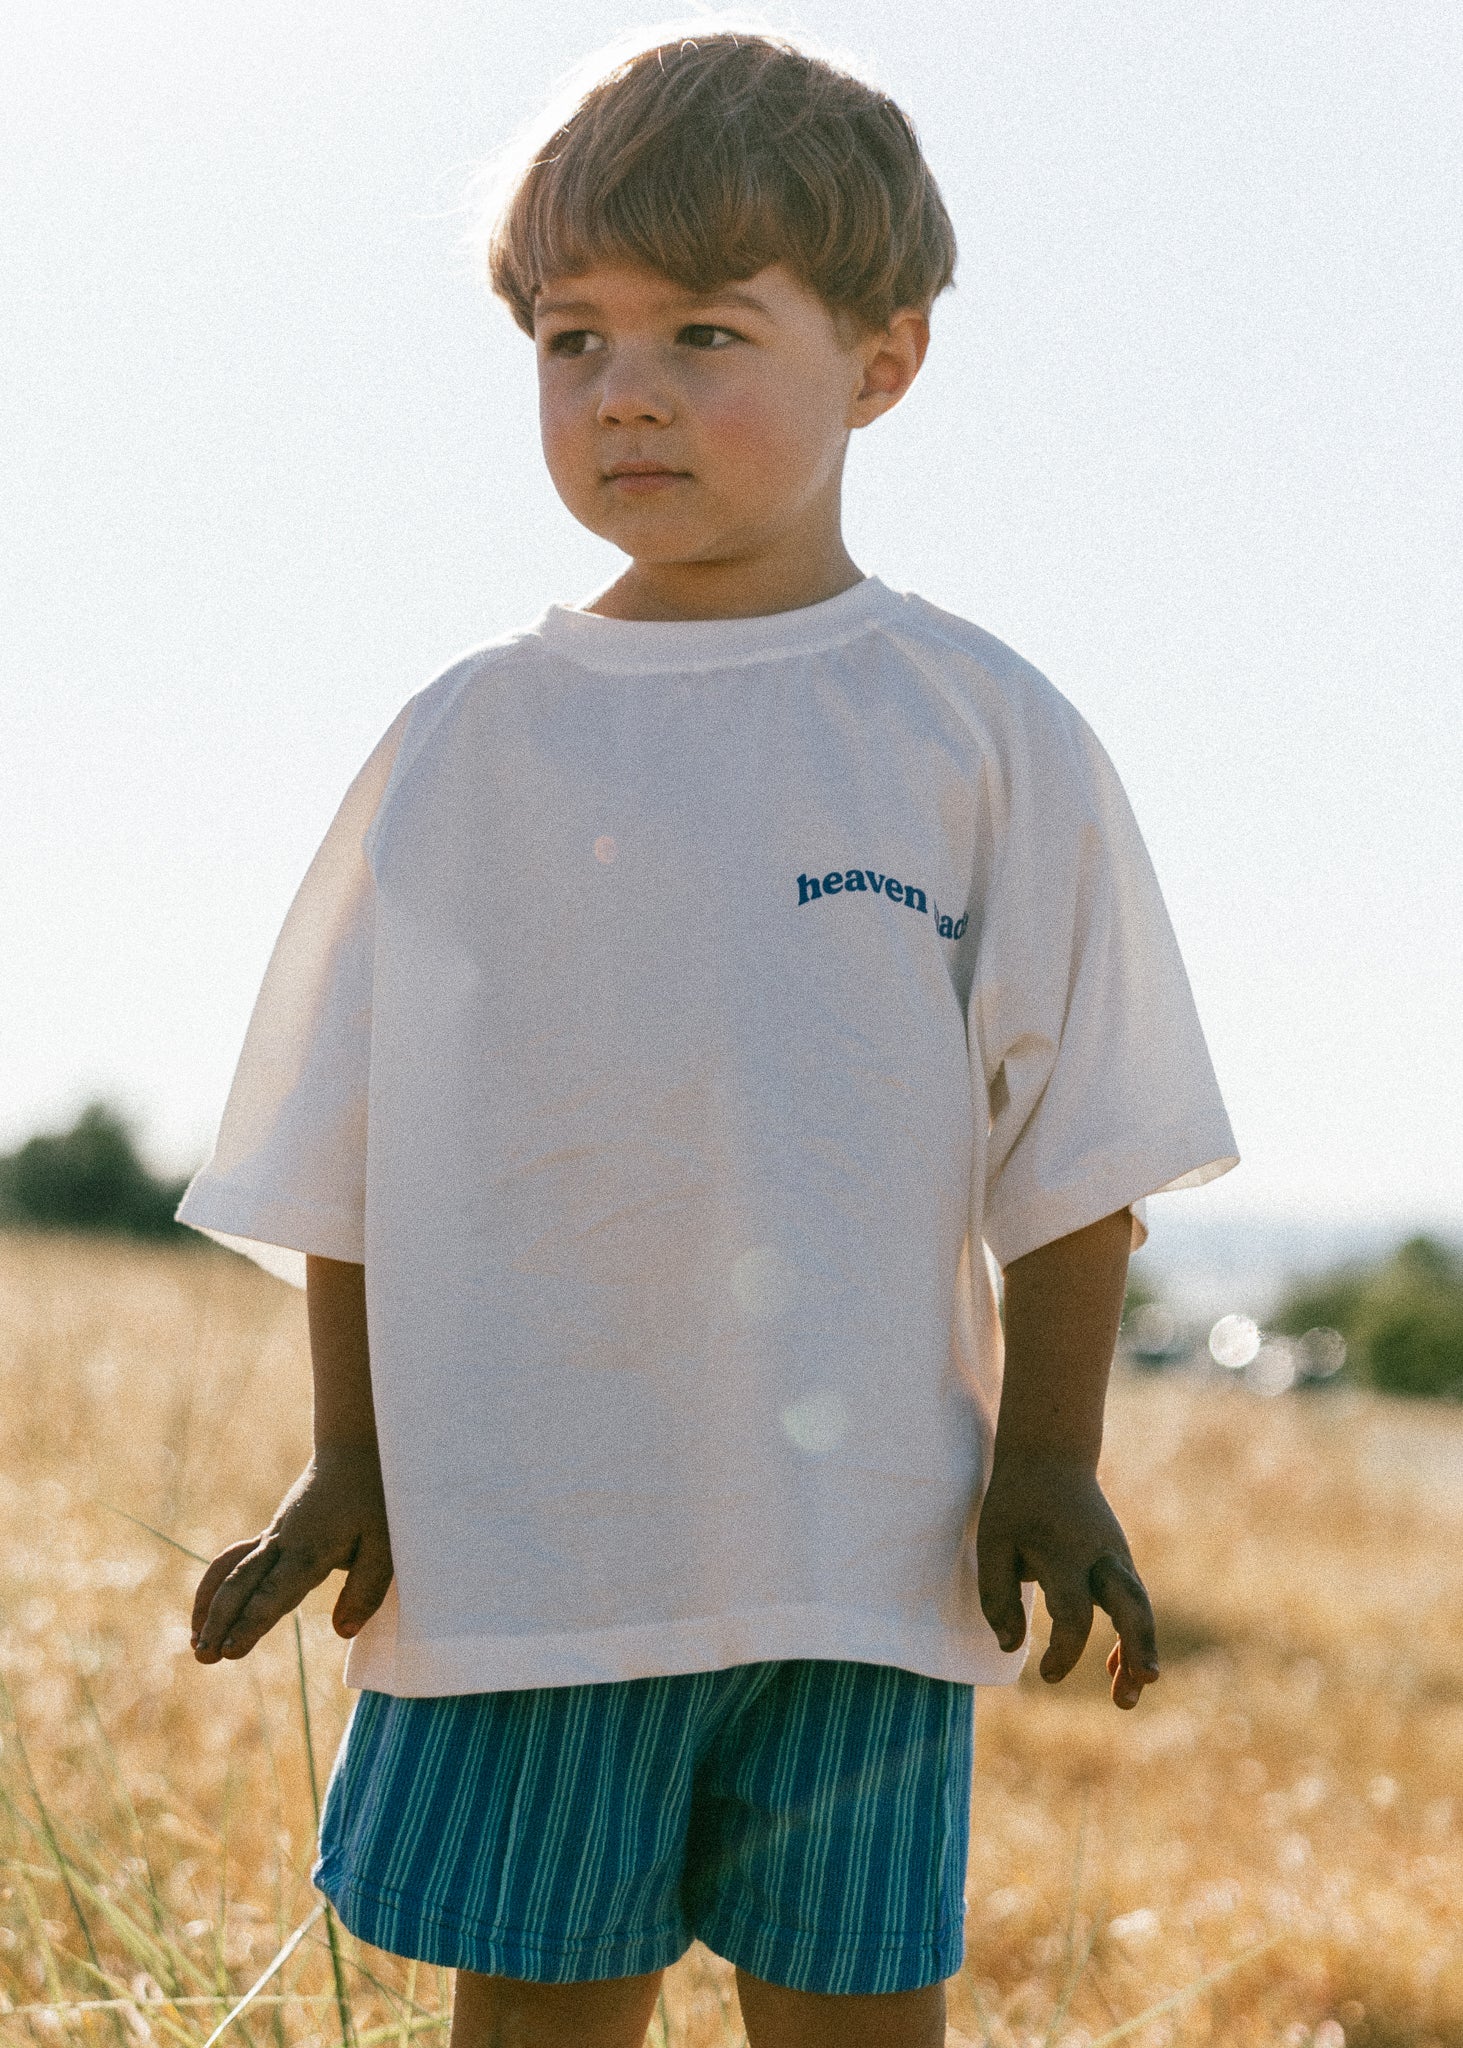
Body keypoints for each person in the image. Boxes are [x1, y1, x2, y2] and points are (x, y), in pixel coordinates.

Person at [178, 27, 1237, 2048]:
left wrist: (1051, 1457)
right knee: (537, 2021)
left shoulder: (979, 731)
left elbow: (1078, 1141)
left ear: (883, 362)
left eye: (703, 332)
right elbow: (352, 1142)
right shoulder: (471, 742)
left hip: (868, 1569)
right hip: (535, 1560)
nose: (625, 390)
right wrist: (352, 1458)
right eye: (570, 338)